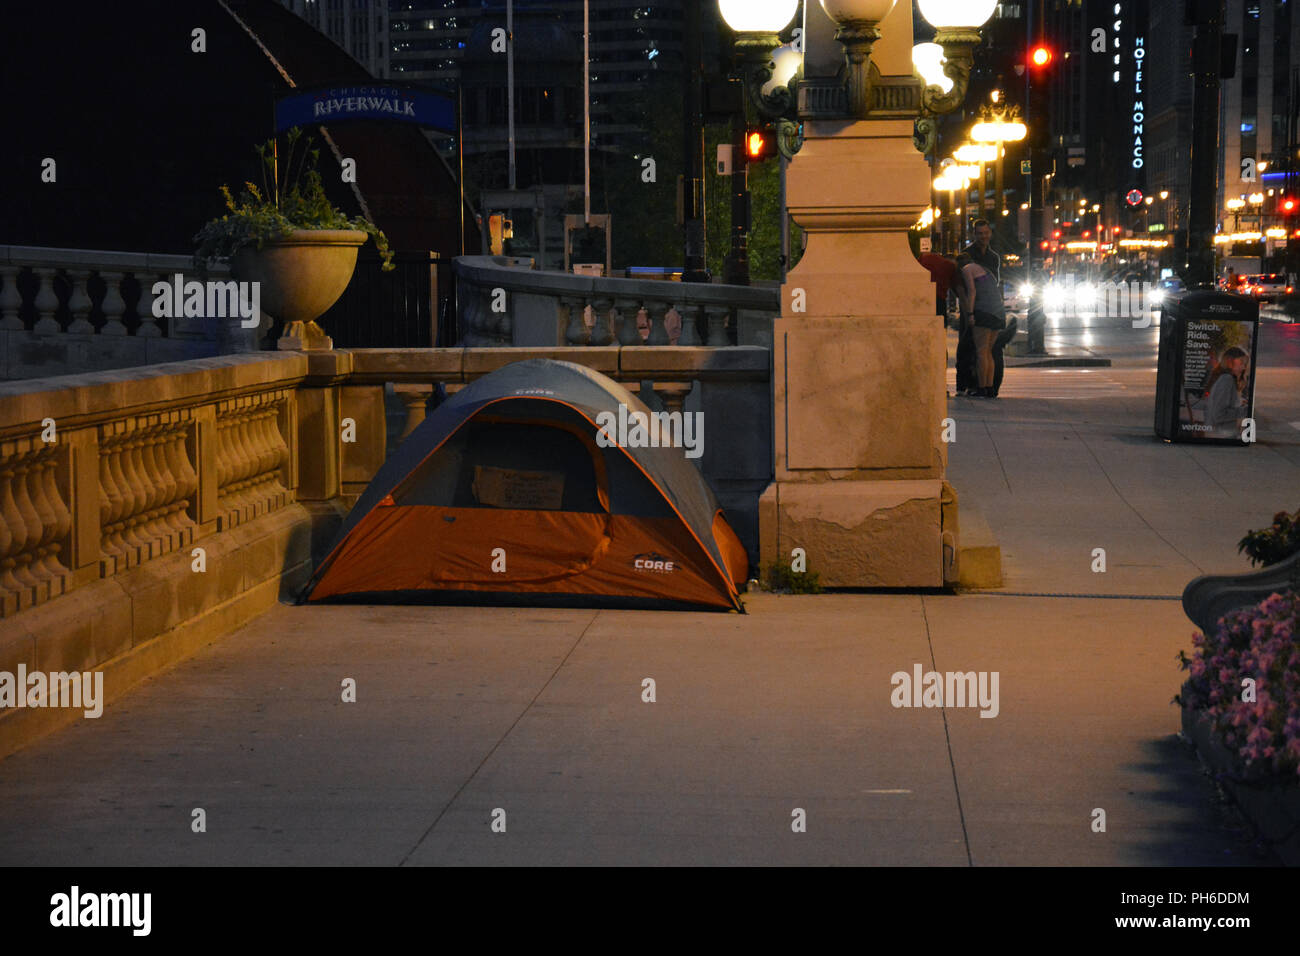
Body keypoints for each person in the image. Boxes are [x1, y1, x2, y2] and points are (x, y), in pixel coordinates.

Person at [958, 259, 1006, 397]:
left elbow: (972, 291)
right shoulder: (985, 270)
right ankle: (989, 387)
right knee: (988, 352)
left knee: (981, 352)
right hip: (998, 313)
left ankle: (981, 388)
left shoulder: (967, 269)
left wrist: (970, 313)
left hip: (983, 312)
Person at [1205, 346, 1249, 436]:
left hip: (1221, 434)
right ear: (1229, 362)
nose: (1244, 368)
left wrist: (1239, 402)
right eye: (1241, 363)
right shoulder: (1226, 379)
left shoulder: (1224, 378)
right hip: (1223, 435)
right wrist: (1245, 411)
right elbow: (1219, 415)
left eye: (1245, 364)